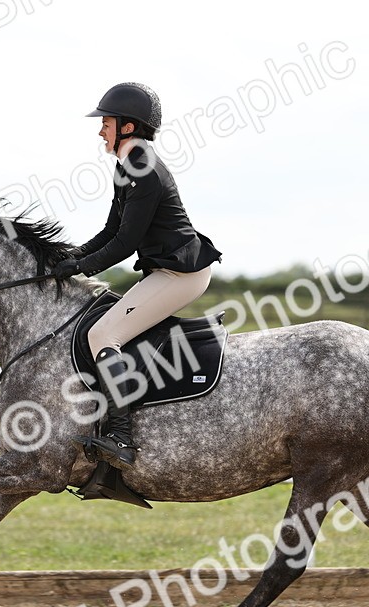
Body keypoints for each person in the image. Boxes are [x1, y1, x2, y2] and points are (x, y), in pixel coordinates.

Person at [53, 82, 221, 470]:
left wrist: (79, 268)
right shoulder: (127, 165)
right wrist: (68, 256)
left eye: (106, 123)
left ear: (128, 127)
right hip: (168, 269)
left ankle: (121, 436)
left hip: (182, 274)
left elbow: (126, 243)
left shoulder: (141, 167)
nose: (100, 131)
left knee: (103, 335)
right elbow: (111, 230)